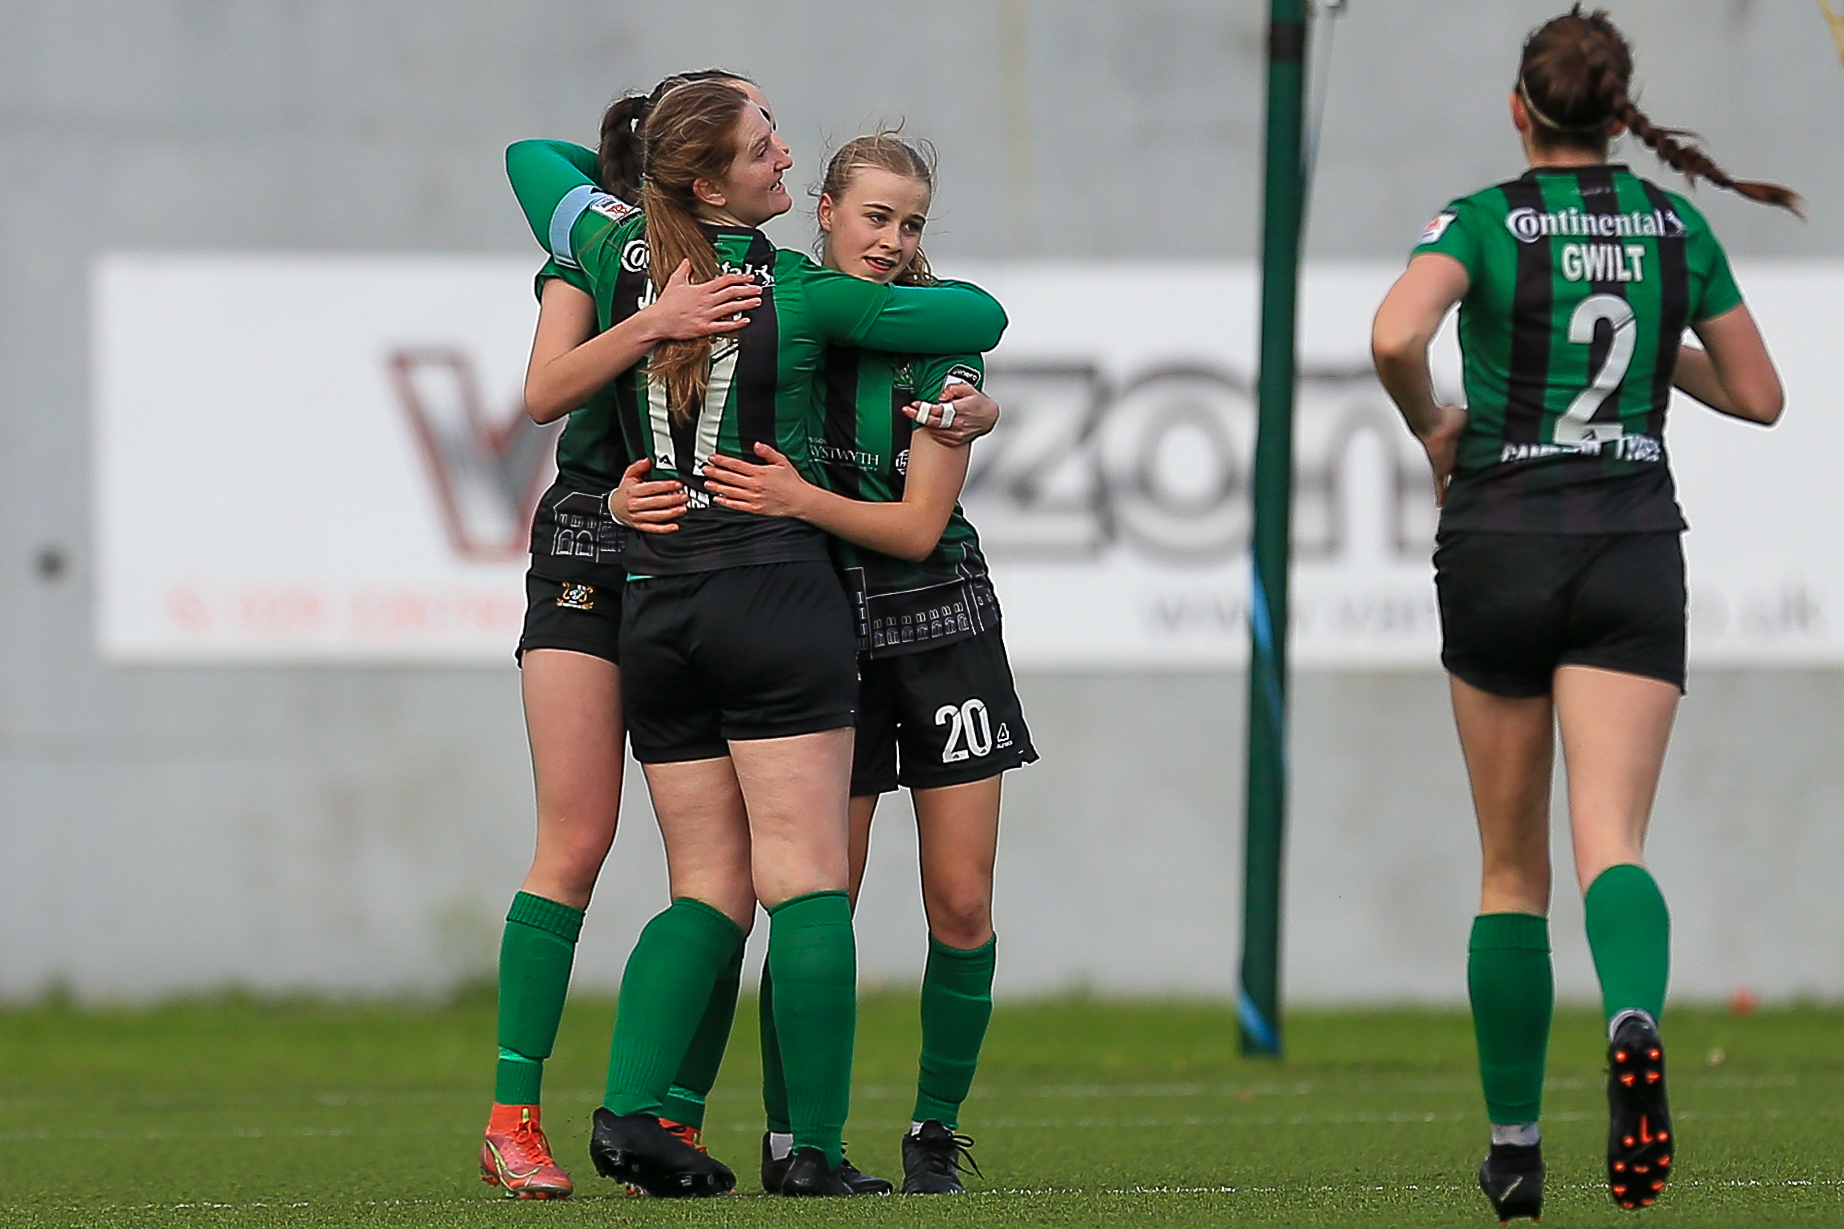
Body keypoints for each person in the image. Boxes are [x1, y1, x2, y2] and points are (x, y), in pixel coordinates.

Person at [503, 79, 1008, 1197]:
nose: (783, 150)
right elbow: (976, 316)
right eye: (764, 143)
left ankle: (636, 1113)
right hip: (778, 597)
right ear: (719, 180)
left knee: (706, 885)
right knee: (805, 877)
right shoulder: (801, 293)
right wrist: (968, 389)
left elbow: (533, 165)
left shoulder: (619, 255)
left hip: (658, 594)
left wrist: (615, 230)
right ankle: (810, 1150)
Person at [1370, 6, 1794, 1222]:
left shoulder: (1482, 219)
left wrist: (1430, 423)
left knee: (1510, 869)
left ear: (1520, 107)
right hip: (1625, 545)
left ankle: (1512, 1147)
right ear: (1618, 115)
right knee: (1611, 835)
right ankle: (1630, 1015)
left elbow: (1396, 331)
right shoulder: (1671, 225)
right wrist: (1656, 348)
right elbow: (1758, 396)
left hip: (1498, 540)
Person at [693, 133, 1036, 1195]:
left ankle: (934, 1128)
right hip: (818, 630)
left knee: (960, 905)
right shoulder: (781, 301)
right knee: (814, 901)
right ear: (825, 209)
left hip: (940, 623)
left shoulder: (940, 344)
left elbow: (919, 524)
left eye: (912, 222)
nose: (892, 241)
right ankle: (796, 1138)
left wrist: (800, 499)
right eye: (874, 216)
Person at [478, 69, 766, 1201]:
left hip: (695, 565)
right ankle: (512, 1119)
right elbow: (546, 393)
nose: (781, 150)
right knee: (578, 838)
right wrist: (651, 314)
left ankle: (660, 1122)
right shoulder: (598, 257)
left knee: (724, 868)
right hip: (591, 557)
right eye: (756, 129)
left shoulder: (754, 270)